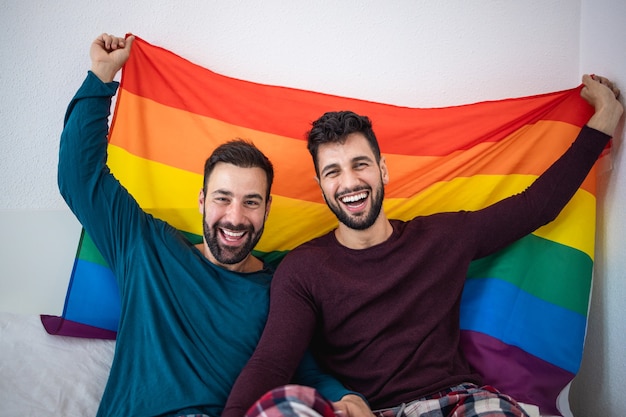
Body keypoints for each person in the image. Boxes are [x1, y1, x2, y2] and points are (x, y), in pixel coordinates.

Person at [222, 74, 624, 417]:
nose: (349, 183)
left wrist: (603, 123)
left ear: (382, 169)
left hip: (455, 403)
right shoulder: (303, 269)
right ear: (322, 185)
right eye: (333, 172)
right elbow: (272, 363)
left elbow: (536, 206)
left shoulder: (441, 237)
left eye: (360, 164)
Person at [59, 33, 371, 417]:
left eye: (251, 202)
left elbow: (305, 371)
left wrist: (347, 398)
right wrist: (102, 77)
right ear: (203, 200)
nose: (235, 218)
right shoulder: (146, 248)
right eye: (223, 198)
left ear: (267, 209)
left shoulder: (280, 290)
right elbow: (78, 176)